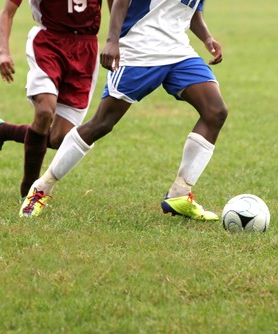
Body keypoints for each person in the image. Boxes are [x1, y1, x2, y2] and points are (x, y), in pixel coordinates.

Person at [19, 0, 228, 220]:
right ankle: (42, 187)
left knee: (216, 111)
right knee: (102, 123)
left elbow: (191, 11)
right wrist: (112, 41)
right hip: (140, 49)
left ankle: (180, 194)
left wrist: (206, 38)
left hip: (179, 52)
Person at [0, 0, 105, 200]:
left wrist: (116, 41)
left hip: (85, 51)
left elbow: (117, 6)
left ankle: (1, 130)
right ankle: (28, 192)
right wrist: (3, 52)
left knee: (61, 138)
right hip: (48, 44)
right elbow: (7, 12)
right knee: (45, 110)